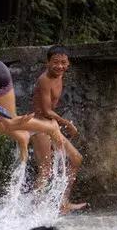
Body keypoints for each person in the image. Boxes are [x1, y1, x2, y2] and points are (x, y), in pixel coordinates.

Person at [30, 46, 86, 213]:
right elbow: (46, 111)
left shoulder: (59, 76)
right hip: (39, 125)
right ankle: (35, 211)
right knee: (45, 170)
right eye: (55, 62)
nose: (60, 66)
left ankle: (63, 202)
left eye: (63, 63)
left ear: (68, 64)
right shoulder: (44, 80)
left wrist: (59, 124)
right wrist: (67, 124)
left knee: (76, 159)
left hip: (50, 125)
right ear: (48, 62)